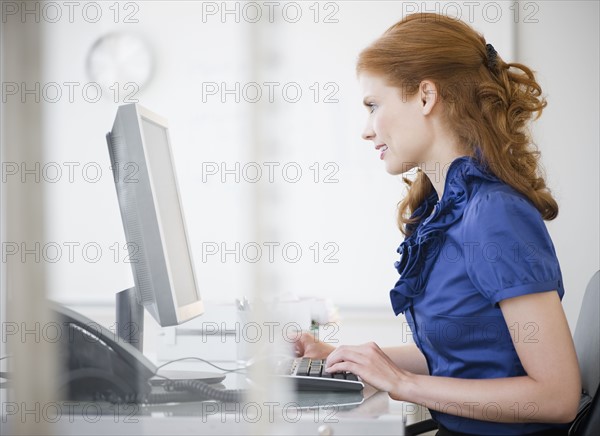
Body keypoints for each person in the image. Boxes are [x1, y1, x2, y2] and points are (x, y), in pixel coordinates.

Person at [294, 12, 581, 436]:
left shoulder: (493, 214)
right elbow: (466, 358)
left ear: (426, 97)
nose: (366, 130)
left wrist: (404, 384)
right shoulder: (447, 208)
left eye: (373, 105)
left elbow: (557, 397)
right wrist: (339, 355)